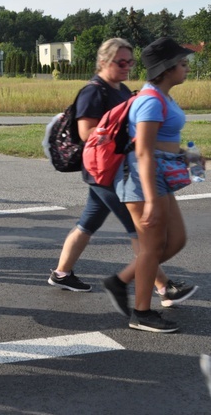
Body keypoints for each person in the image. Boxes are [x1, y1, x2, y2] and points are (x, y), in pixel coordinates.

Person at [47, 38, 196, 309]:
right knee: (140, 232)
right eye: (121, 62)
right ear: (103, 62)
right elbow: (87, 134)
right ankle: (162, 286)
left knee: (87, 223)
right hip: (105, 169)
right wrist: (124, 133)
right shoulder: (94, 91)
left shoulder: (122, 89)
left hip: (112, 169)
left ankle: (61, 273)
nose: (127, 66)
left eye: (131, 62)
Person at [114, 37, 200, 333]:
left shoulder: (162, 96)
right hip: (142, 180)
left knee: (176, 240)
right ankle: (141, 313)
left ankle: (122, 280)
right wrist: (150, 199)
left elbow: (161, 144)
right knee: (152, 247)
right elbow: (144, 151)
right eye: (183, 63)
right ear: (166, 69)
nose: (187, 68)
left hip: (156, 177)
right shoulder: (151, 100)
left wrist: (185, 154)